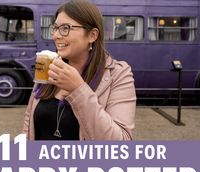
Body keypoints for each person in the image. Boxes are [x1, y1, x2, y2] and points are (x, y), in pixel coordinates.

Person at [22, 0, 136, 140]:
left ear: (92, 35)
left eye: (65, 28)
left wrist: (78, 89)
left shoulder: (119, 75)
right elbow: (28, 124)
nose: (56, 35)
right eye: (55, 28)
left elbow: (121, 142)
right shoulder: (49, 65)